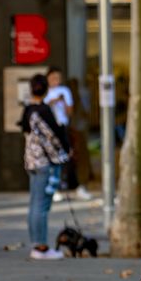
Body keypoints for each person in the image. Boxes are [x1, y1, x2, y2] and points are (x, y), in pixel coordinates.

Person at [20, 74, 70, 260]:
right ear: (46, 90)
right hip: (45, 163)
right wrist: (65, 151)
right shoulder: (44, 111)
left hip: (31, 161)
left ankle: (36, 243)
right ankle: (40, 247)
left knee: (34, 204)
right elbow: (55, 134)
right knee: (41, 206)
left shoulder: (27, 110)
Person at [44, 67, 85, 201]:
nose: (56, 81)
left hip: (62, 126)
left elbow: (70, 111)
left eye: (58, 78)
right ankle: (54, 187)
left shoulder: (64, 91)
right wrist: (54, 101)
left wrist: (63, 103)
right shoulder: (45, 92)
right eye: (53, 78)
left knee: (67, 156)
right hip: (49, 129)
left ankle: (75, 186)